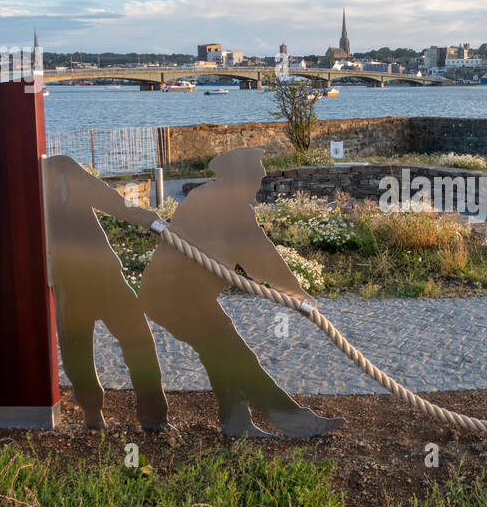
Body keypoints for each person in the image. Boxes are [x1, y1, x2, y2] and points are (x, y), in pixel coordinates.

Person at [139, 148, 343, 438]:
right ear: (240, 175)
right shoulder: (227, 203)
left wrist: (294, 293)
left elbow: (258, 256)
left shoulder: (210, 196)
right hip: (173, 297)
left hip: (181, 295)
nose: (262, 173)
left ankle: (238, 424)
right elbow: (262, 258)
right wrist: (298, 295)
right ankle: (290, 419)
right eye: (256, 168)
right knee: (233, 353)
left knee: (222, 352)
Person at [42, 155, 168, 429]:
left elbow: (108, 198)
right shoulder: (14, 187)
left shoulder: (60, 168)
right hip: (67, 284)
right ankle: (91, 414)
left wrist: (150, 220)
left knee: (139, 339)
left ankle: (154, 416)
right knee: (77, 353)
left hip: (105, 276)